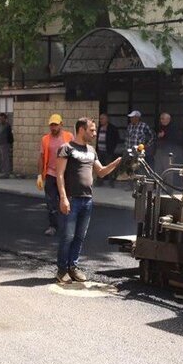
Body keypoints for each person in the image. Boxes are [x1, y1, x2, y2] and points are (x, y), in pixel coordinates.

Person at [54, 117, 123, 283]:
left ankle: (73, 267)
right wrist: (63, 198)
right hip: (71, 199)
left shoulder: (91, 150)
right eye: (91, 130)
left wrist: (117, 163)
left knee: (80, 236)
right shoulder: (66, 148)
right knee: (67, 236)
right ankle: (62, 269)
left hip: (87, 200)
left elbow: (101, 172)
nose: (95, 133)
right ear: (81, 130)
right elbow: (59, 174)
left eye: (95, 130)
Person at [37, 113, 74, 236]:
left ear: (61, 125)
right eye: (51, 125)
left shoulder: (69, 137)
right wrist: (39, 175)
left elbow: (75, 155)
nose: (53, 127)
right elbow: (41, 157)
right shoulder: (45, 139)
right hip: (51, 174)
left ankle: (68, 227)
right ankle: (53, 226)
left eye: (55, 125)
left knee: (66, 201)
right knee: (51, 202)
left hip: (65, 175)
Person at [96, 112, 121, 185]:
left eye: (102, 119)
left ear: (107, 119)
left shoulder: (112, 128)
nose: (100, 120)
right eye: (100, 119)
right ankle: (99, 182)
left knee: (110, 166)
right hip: (100, 151)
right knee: (99, 167)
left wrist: (112, 148)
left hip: (108, 151)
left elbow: (117, 139)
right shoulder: (99, 128)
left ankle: (111, 182)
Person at [0, 112, 15, 178]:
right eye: (0, 118)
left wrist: (9, 143)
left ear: (5, 119)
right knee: (2, 158)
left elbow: (10, 135)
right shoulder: (0, 125)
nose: (1, 120)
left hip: (5, 144)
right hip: (0, 144)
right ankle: (4, 172)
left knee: (5, 158)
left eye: (2, 118)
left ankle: (6, 173)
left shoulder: (7, 126)